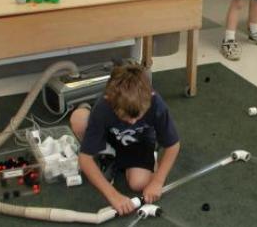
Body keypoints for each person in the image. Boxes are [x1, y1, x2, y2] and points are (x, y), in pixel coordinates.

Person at [69, 62, 180, 216]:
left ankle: (128, 157)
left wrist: (157, 181)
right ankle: (107, 154)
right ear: (110, 100)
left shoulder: (155, 103)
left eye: (138, 116)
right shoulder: (104, 106)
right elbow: (85, 159)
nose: (132, 122)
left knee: (138, 183)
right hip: (109, 133)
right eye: (126, 117)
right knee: (78, 120)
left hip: (139, 140)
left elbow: (173, 145)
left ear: (149, 97)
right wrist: (112, 194)